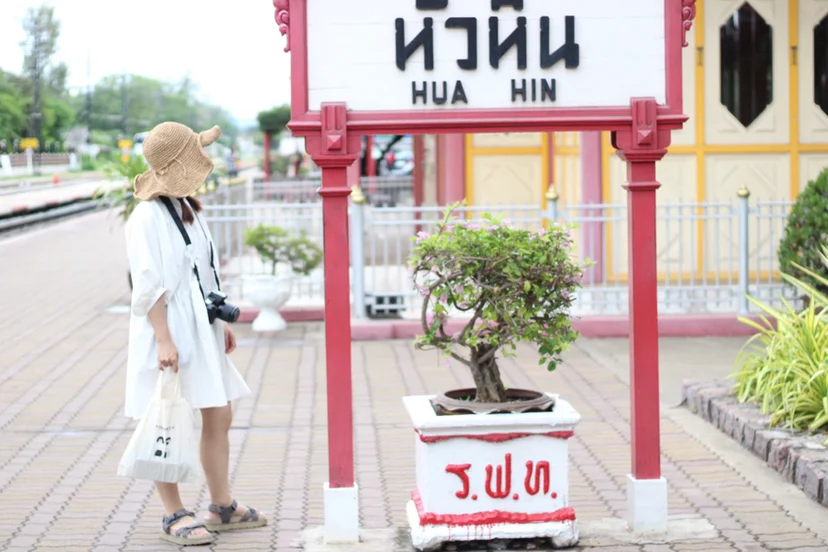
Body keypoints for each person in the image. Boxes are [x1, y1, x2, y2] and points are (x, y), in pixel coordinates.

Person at [125, 122, 267, 546]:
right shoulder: (146, 216)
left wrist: (218, 325)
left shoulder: (187, 207)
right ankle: (173, 512)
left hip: (199, 326)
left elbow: (202, 270)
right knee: (167, 417)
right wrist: (163, 338)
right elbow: (147, 284)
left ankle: (221, 505)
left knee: (219, 413)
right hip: (167, 325)